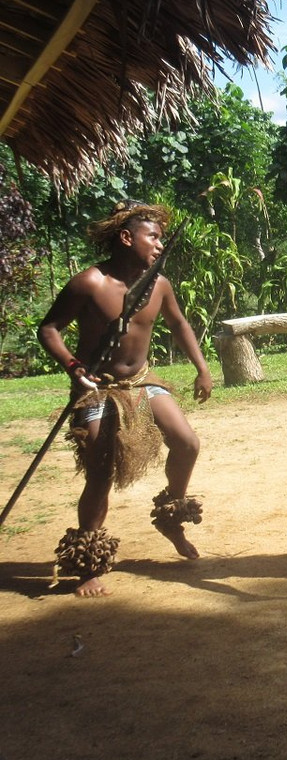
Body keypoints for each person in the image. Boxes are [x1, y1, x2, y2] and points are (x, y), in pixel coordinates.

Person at [37, 200, 212, 597]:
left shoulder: (158, 285)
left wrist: (202, 368)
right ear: (126, 237)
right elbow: (49, 329)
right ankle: (87, 562)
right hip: (97, 386)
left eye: (161, 239)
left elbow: (179, 323)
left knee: (186, 443)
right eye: (152, 237)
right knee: (101, 470)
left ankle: (172, 514)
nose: (158, 244)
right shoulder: (90, 283)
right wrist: (73, 367)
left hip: (141, 380)